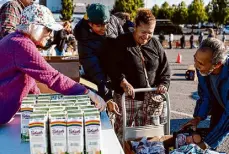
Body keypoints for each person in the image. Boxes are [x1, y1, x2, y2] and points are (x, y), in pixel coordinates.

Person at [0, 4, 107, 125]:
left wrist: (38, 102)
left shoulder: (16, 40)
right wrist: (88, 93)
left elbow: (30, 78)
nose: (51, 35)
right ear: (36, 27)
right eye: (48, 29)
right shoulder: (22, 45)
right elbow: (52, 77)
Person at [105, 9, 171, 141]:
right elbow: (112, 66)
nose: (146, 36)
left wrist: (163, 84)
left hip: (151, 98)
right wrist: (122, 81)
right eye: (143, 32)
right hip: (128, 97)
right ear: (135, 27)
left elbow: (164, 69)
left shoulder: (155, 44)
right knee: (123, 131)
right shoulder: (121, 42)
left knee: (149, 133)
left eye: (150, 33)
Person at [74, 3, 123, 112]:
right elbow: (94, 69)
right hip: (99, 83)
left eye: (105, 24)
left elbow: (124, 41)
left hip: (118, 78)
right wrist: (107, 97)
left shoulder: (113, 21)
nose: (104, 28)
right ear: (90, 24)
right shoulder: (84, 39)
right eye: (99, 26)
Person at [182, 38, 229, 149]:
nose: (196, 65)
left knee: (208, 143)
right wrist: (197, 118)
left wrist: (206, 143)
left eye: (200, 63)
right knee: (210, 142)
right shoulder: (202, 68)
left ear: (217, 64)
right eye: (195, 59)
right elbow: (205, 95)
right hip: (220, 105)